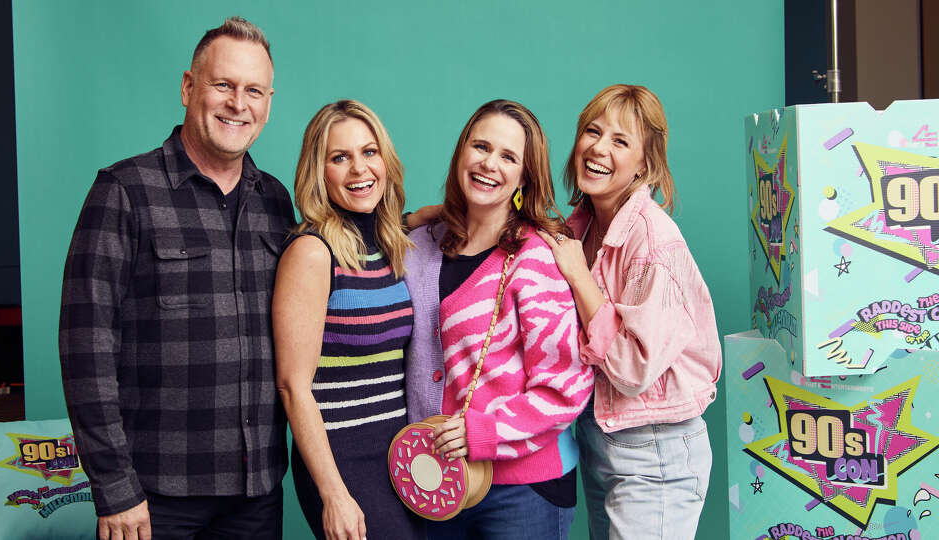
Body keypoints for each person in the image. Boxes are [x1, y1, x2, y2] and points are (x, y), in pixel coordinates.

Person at [58, 17, 294, 540]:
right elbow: (84, 346)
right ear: (189, 87)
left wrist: (432, 217)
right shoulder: (124, 191)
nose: (239, 104)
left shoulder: (276, 200)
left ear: (269, 102)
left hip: (257, 493)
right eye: (223, 85)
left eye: (254, 90)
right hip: (153, 496)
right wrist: (116, 488)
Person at [536, 84, 721, 540]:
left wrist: (580, 277)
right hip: (602, 439)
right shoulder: (581, 225)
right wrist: (437, 215)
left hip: (654, 448)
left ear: (646, 164)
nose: (599, 148)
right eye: (593, 132)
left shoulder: (652, 242)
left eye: (621, 141)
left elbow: (633, 368)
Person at [404, 100, 594, 540]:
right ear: (460, 153)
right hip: (435, 478)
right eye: (481, 146)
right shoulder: (421, 244)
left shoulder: (537, 259)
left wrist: (482, 432)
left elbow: (566, 386)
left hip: (523, 489)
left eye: (509, 157)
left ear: (525, 177)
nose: (489, 164)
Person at [273, 100, 426, 540]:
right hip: (342, 462)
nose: (360, 168)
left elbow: (400, 221)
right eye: (340, 158)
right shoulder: (311, 252)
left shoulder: (386, 241)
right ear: (318, 172)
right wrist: (333, 493)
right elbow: (292, 385)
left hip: (400, 456)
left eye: (369, 152)